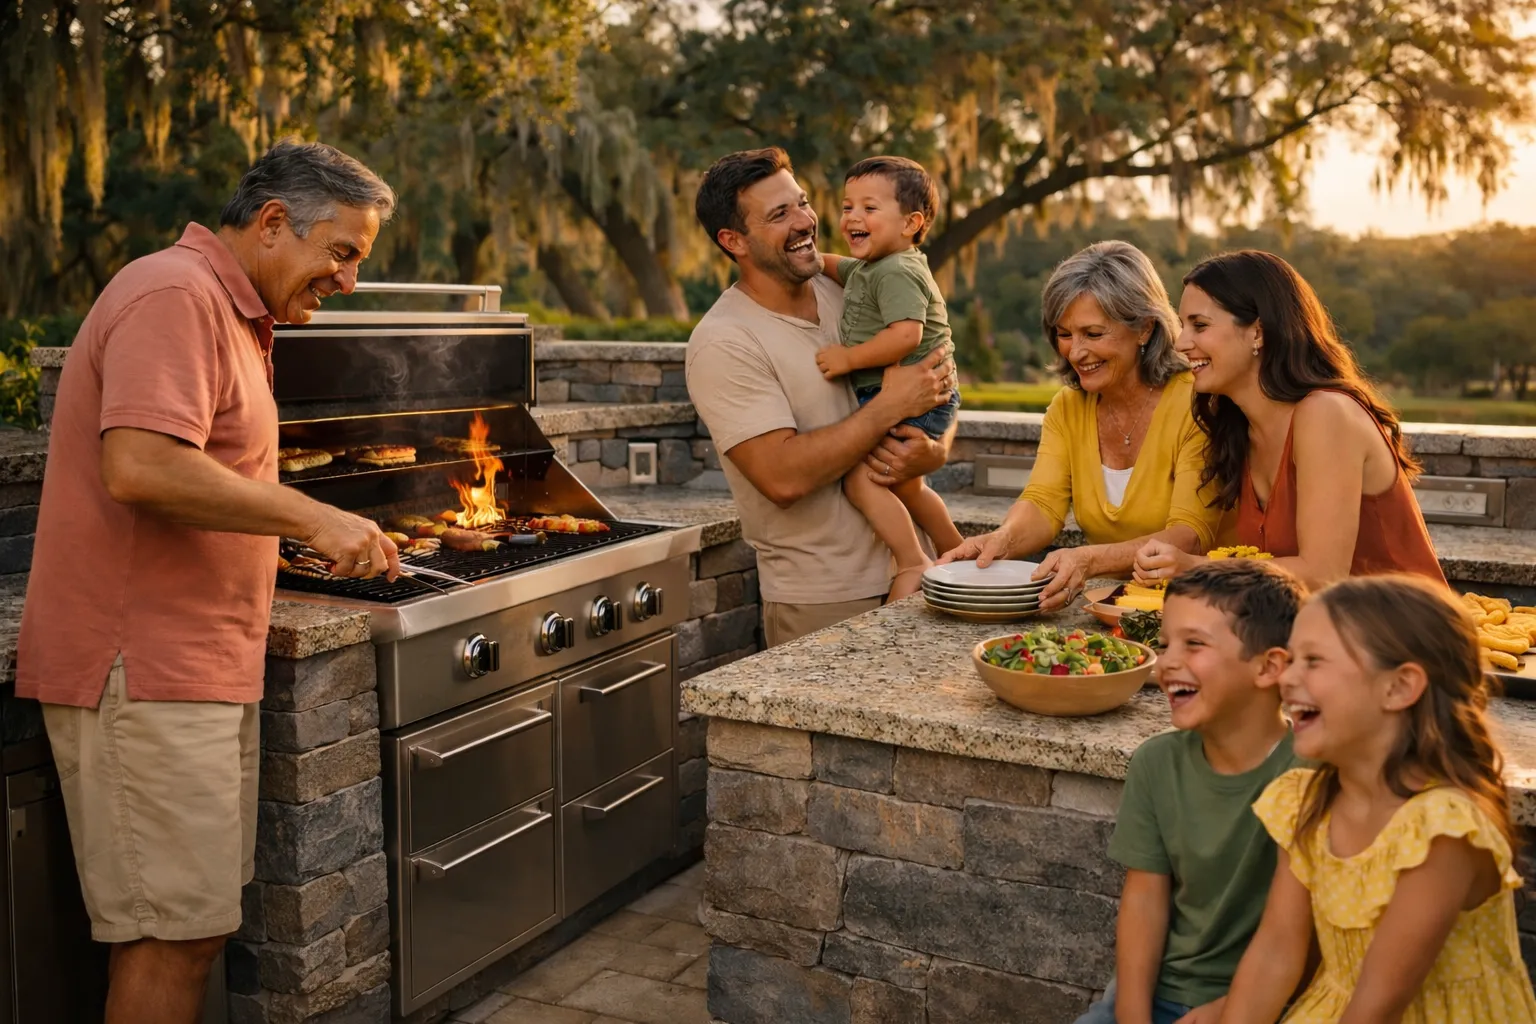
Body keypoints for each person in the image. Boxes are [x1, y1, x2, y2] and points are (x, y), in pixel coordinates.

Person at [16, 140, 404, 1024]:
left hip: (190, 668)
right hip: (142, 671)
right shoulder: (175, 294)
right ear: (273, 222)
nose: (346, 278)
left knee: (190, 933)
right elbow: (144, 467)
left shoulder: (227, 309)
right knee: (166, 938)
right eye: (340, 252)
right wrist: (312, 517)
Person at [1221, 575, 1536, 1024]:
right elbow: (1276, 951)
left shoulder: (1442, 828)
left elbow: (1379, 1004)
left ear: (1399, 687)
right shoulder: (1306, 800)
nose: (1287, 676)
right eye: (1292, 658)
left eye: (1314, 661)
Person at [685, 147, 958, 647]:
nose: (804, 221)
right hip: (823, 600)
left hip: (918, 579)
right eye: (778, 214)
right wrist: (890, 407)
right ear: (733, 241)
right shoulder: (724, 342)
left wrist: (935, 450)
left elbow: (933, 379)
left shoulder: (852, 289)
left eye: (803, 202)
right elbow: (782, 477)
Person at [1076, 560, 1306, 1024]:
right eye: (1165, 645)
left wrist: (1232, 1008)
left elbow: (1317, 933)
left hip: (1276, 1001)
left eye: (1194, 645)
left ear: (1269, 667)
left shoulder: (1312, 771)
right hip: (1163, 991)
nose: (1167, 662)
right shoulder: (1156, 764)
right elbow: (1144, 904)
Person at [1134, 250, 1444, 590]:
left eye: (1200, 325)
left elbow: (1323, 575)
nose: (1181, 343)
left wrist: (1194, 567)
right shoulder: (1239, 429)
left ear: (1258, 333)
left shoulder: (1326, 415)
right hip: (1312, 629)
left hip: (1400, 630)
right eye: (1182, 326)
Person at [940, 241, 1222, 610]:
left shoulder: (1195, 404)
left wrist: (1088, 560)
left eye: (1092, 333)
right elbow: (1043, 503)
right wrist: (1002, 539)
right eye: (1064, 334)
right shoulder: (1067, 408)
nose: (1075, 352)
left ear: (1145, 329)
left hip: (1203, 607)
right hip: (1108, 606)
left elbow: (1189, 537)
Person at [814, 156, 962, 599]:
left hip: (913, 393)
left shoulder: (897, 269)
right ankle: (957, 548)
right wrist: (810, 258)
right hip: (915, 394)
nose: (853, 217)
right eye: (847, 207)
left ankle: (911, 559)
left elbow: (905, 335)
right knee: (906, 484)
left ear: (911, 223)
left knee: (861, 479)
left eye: (869, 208)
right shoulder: (871, 266)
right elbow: (839, 266)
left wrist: (848, 359)